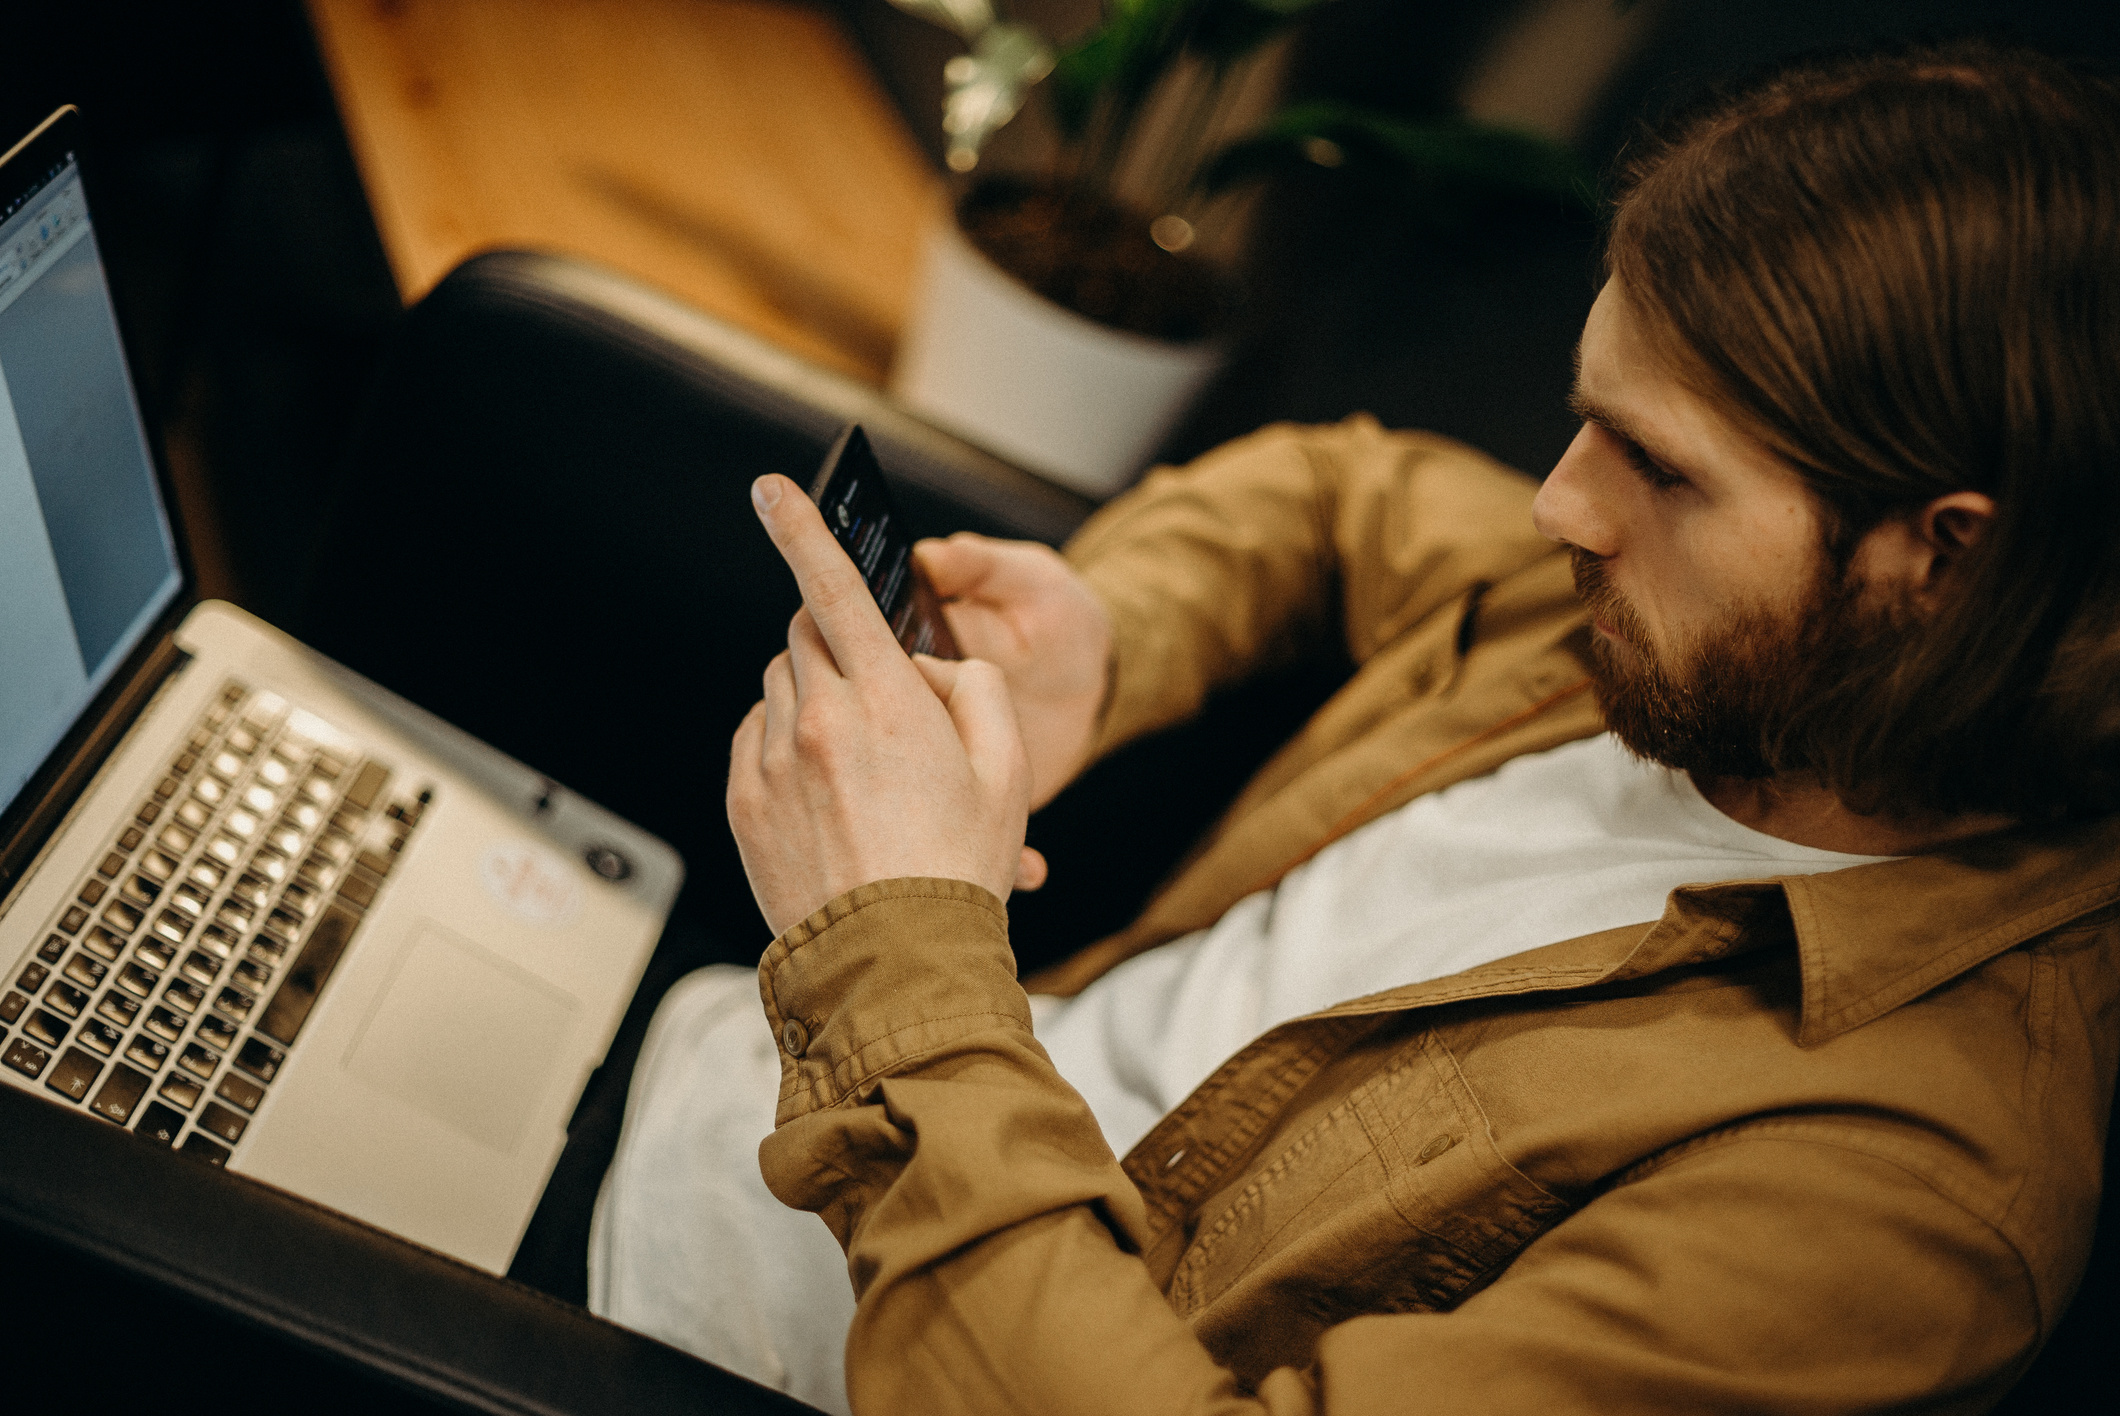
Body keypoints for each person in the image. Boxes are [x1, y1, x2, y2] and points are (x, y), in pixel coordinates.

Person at [589, 38, 2120, 1415]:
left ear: (1942, 562)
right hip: (741, 1085)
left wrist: (894, 946)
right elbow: (1335, 492)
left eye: (1659, 467)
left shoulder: (1887, 1208)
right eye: (1583, 417)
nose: (1558, 507)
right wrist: (1115, 642)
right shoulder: (1696, 647)